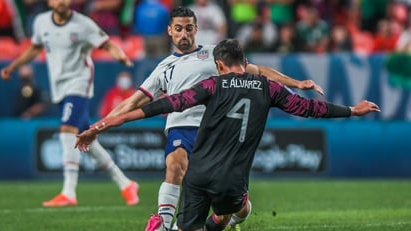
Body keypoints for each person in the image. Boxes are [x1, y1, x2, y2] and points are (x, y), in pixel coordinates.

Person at [75, 39, 381, 230]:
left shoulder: (212, 86)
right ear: (246, 64)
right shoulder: (268, 87)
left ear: (219, 65)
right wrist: (352, 110)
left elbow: (161, 106)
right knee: (235, 211)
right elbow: (309, 109)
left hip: (197, 176)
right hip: (231, 180)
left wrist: (101, 125)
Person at [87, 6, 323, 231]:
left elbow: (258, 71)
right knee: (174, 165)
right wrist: (100, 126)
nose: (184, 33)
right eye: (178, 28)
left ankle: (234, 215)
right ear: (170, 30)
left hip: (215, 130)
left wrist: (296, 83)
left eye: (189, 28)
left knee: (235, 205)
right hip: (181, 126)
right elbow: (132, 102)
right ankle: (163, 223)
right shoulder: (163, 68)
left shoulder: (214, 53)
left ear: (196, 29)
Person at [0, 0, 139, 207]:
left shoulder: (83, 24)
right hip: (60, 87)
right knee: (87, 140)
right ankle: (126, 183)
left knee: (67, 129)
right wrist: (13, 66)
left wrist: (121, 57)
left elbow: (107, 43)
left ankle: (68, 192)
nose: (61, 1)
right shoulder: (41, 22)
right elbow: (34, 49)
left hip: (79, 82)